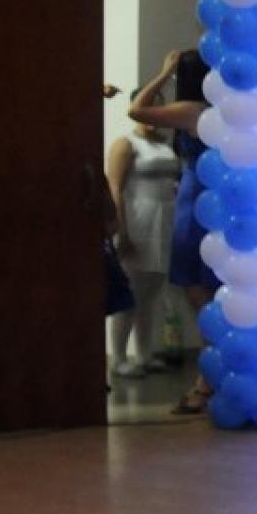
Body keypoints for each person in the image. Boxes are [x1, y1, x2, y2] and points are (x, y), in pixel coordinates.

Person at [126, 49, 217, 413]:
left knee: (197, 294)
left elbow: (136, 110)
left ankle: (206, 380)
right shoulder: (217, 111)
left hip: (194, 203)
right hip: (205, 199)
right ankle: (209, 377)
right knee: (207, 293)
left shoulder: (191, 110)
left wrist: (162, 73)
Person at [104, 98, 182, 377]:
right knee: (130, 292)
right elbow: (115, 188)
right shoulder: (126, 144)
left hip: (165, 222)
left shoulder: (164, 145)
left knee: (150, 294)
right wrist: (121, 230)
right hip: (138, 221)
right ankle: (118, 357)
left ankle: (144, 354)